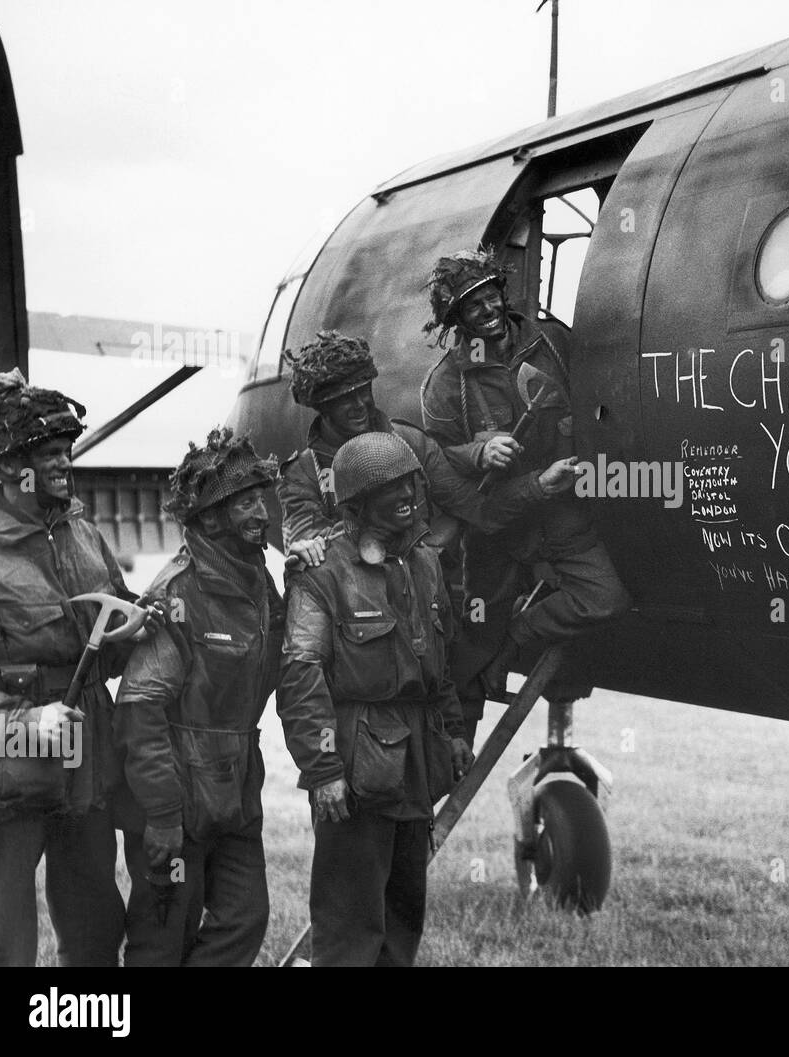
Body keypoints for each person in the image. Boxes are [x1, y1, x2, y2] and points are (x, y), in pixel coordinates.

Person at [277, 430, 473, 966]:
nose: (408, 494)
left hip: (415, 767)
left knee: (402, 920)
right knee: (349, 924)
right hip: (357, 769)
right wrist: (323, 771)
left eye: (411, 482)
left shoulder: (425, 563)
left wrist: (454, 733)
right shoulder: (321, 575)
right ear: (358, 503)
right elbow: (300, 678)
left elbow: (439, 668)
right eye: (391, 488)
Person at [419, 249, 631, 742]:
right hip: (495, 527)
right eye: (473, 307)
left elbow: (599, 396)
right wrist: (480, 451)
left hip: (561, 511)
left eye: (492, 297)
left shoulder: (551, 342)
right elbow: (441, 462)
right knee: (472, 638)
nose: (489, 311)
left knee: (606, 598)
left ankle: (519, 636)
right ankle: (452, 746)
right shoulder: (446, 383)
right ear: (457, 320)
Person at [0, 369, 152, 966]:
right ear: (7, 468)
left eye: (66, 452)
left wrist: (136, 629)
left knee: (93, 921)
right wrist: (20, 723)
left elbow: (118, 632)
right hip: (5, 759)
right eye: (46, 454)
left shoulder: (85, 535)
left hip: (86, 753)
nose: (63, 464)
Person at [112, 429, 283, 966]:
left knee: (244, 917)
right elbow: (139, 711)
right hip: (176, 801)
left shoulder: (262, 584)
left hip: (235, 798)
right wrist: (163, 815)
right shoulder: (175, 594)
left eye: (263, 497)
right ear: (211, 519)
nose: (263, 512)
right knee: (162, 938)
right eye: (247, 502)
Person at [278, 330, 577, 575]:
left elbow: (478, 509)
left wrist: (538, 485)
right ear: (322, 407)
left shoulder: (410, 442)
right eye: (344, 398)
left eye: (363, 391)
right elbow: (308, 547)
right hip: (356, 614)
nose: (359, 405)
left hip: (423, 602)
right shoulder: (304, 474)